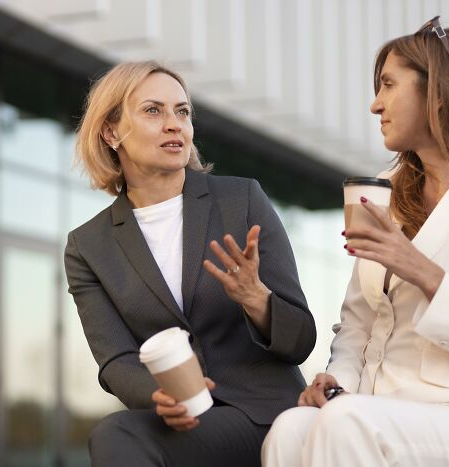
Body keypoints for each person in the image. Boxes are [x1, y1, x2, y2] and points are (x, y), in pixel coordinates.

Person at [262, 16, 449, 467]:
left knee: (345, 422)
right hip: (374, 410)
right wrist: (334, 381)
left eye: (389, 85)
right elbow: (357, 324)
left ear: (438, 91)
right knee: (291, 428)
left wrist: (422, 270)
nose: (376, 105)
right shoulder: (382, 192)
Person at [64, 60, 316, 467]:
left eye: (182, 111)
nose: (173, 123)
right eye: (153, 110)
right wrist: (157, 397)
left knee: (118, 434)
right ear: (111, 132)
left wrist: (258, 300)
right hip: (181, 423)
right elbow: (116, 361)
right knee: (116, 434)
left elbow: (301, 339)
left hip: (266, 417)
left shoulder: (242, 201)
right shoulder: (88, 246)